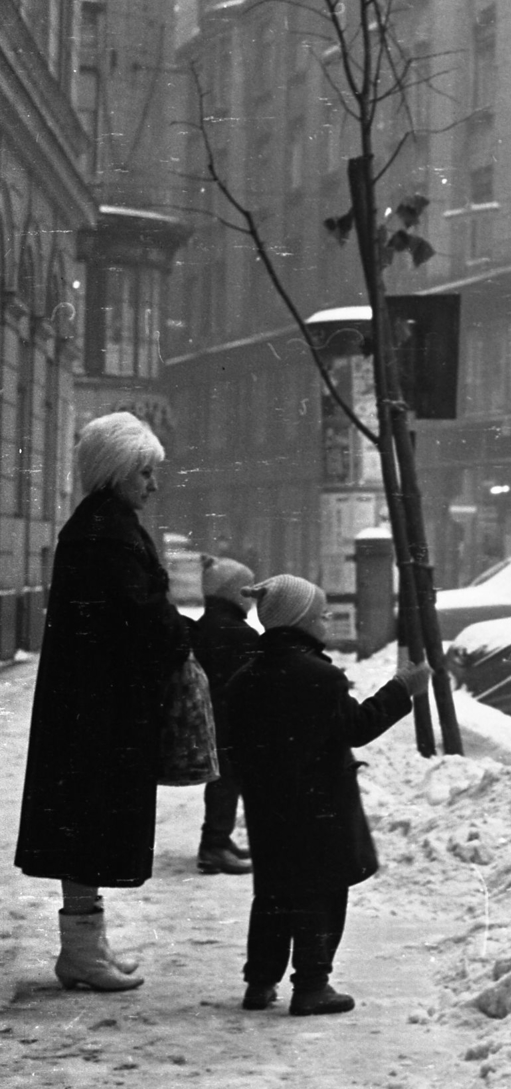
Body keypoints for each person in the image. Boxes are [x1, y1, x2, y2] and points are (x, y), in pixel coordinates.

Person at [15, 411, 194, 992]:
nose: (153, 484)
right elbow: (139, 619)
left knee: (83, 824)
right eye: (144, 471)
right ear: (117, 472)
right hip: (97, 711)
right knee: (86, 824)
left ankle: (87, 948)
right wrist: (189, 633)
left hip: (90, 705)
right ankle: (81, 954)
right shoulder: (108, 532)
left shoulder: (100, 524)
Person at [224, 574, 429, 1016]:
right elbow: (356, 728)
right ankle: (312, 985)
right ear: (299, 620)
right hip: (320, 807)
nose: (328, 619)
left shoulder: (245, 676)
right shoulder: (319, 676)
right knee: (323, 891)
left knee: (274, 892)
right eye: (321, 613)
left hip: (267, 808)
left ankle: (259, 984)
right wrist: (400, 690)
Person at [190, 556, 260, 875]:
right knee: (226, 782)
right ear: (233, 593)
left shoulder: (209, 625)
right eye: (246, 590)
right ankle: (214, 846)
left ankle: (218, 839)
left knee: (223, 781)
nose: (251, 598)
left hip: (213, 720)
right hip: (229, 723)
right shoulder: (237, 633)